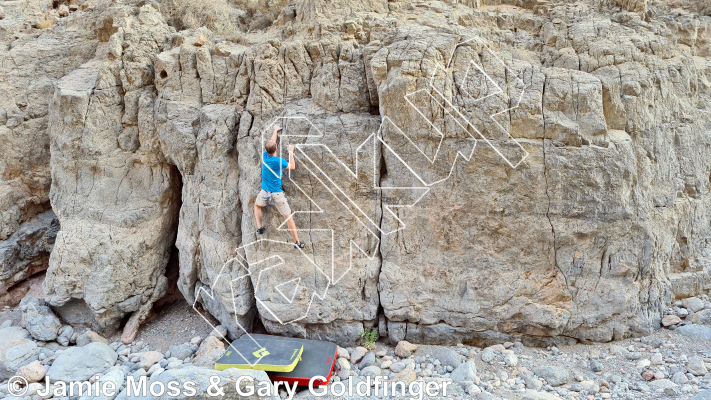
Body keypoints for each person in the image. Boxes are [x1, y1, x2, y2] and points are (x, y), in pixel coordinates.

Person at [254, 125, 305, 249]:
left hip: (265, 192)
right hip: (277, 194)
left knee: (257, 205)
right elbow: (292, 166)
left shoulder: (265, 157)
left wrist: (275, 131)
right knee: (288, 217)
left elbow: (271, 142)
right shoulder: (279, 161)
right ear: (276, 148)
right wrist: (290, 152)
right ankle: (297, 243)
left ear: (267, 150)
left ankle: (260, 228)